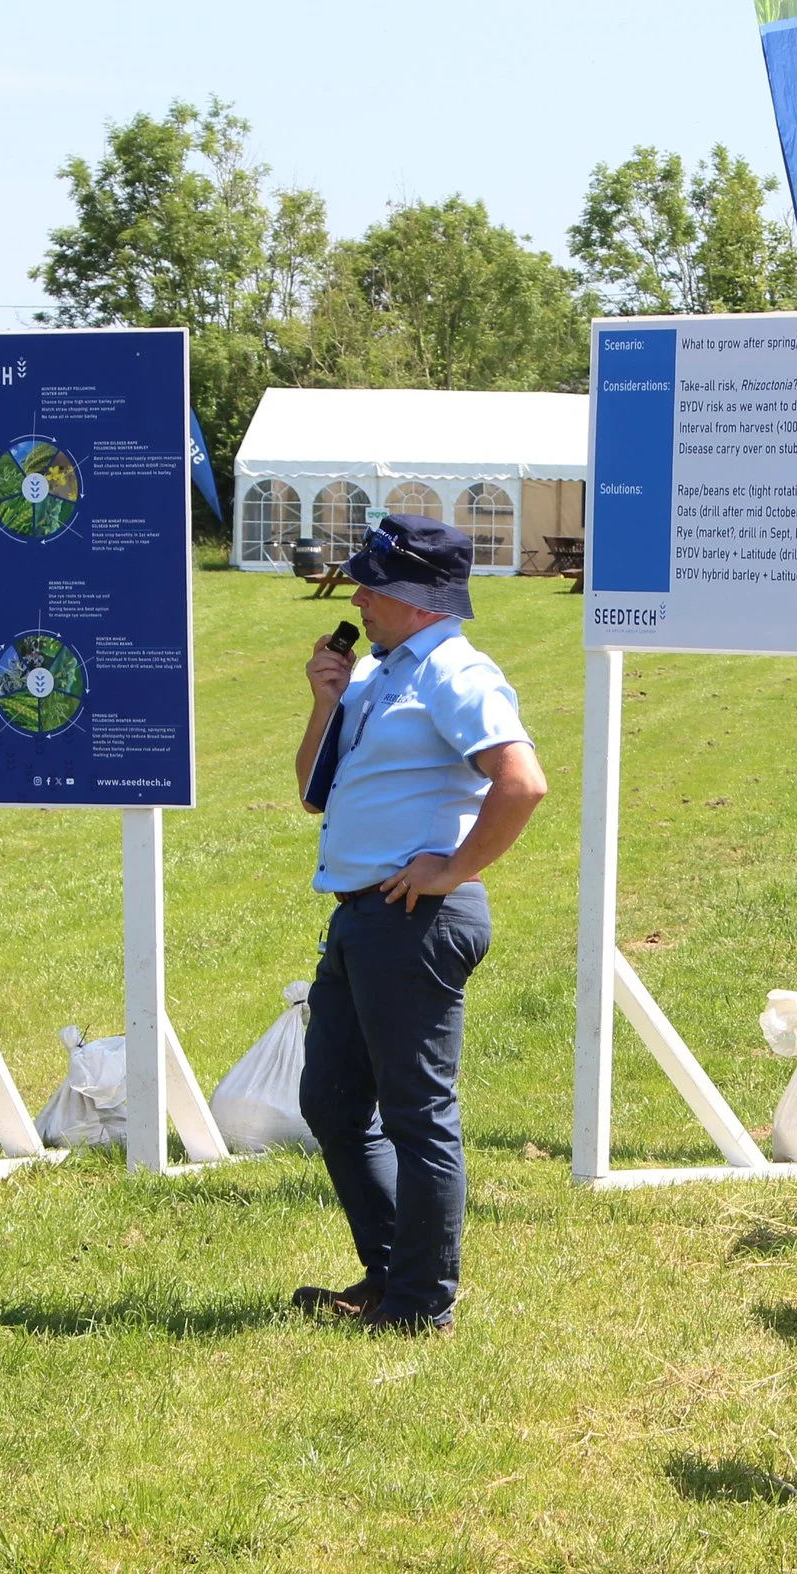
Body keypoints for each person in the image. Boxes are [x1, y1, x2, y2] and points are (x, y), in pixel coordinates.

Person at [290, 514, 547, 1335]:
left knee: (415, 1115)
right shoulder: (378, 674)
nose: (357, 596)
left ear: (415, 595)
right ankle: (394, 1273)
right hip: (363, 914)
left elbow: (522, 783)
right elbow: (312, 792)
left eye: (372, 583)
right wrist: (326, 702)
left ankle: (419, 1304)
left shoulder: (457, 673)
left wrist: (452, 867)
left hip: (417, 916)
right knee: (332, 1104)